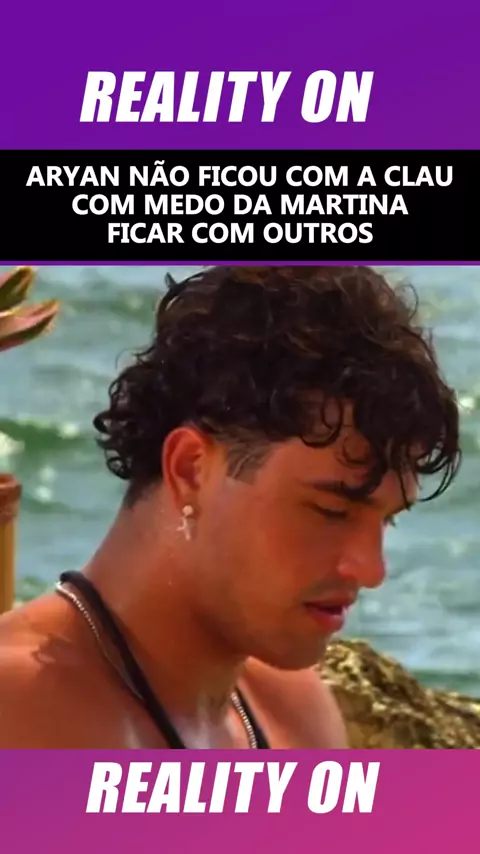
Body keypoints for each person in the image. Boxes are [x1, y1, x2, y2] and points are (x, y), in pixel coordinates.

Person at [0, 265, 461, 749]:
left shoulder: (295, 714)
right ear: (190, 469)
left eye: (386, 520)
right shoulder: (19, 712)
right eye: (331, 511)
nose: (371, 569)